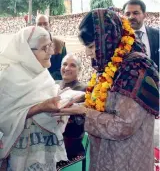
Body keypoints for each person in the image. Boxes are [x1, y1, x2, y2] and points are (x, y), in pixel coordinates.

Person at [60, 9, 159, 171]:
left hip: (128, 160)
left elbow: (123, 125)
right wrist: (78, 100)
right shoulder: (108, 63)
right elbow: (105, 102)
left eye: (91, 46)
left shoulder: (135, 68)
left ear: (108, 39)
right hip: (104, 156)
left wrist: (83, 112)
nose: (87, 53)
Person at [0, 26, 69, 171]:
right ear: (26, 52)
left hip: (43, 147)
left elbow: (46, 96)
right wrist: (40, 107)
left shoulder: (42, 72)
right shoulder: (7, 77)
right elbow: (4, 117)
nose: (51, 52)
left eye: (51, 45)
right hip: (18, 151)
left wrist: (63, 96)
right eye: (45, 48)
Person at [59, 54, 87, 161]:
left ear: (79, 69)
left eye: (72, 65)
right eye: (64, 64)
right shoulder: (54, 86)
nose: (67, 68)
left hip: (71, 147)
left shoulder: (85, 90)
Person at [123, 0, 159, 69]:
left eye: (135, 13)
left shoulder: (157, 34)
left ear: (144, 15)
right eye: (127, 14)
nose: (131, 17)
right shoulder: (119, 37)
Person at [36, 14, 67, 80]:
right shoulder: (31, 45)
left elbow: (63, 69)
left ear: (50, 25)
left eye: (45, 23)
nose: (42, 27)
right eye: (39, 24)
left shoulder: (60, 45)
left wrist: (45, 79)